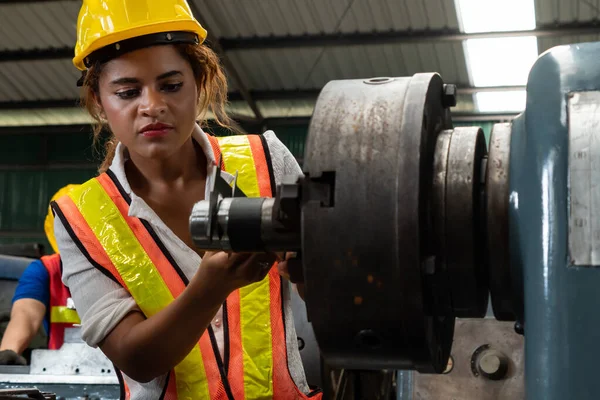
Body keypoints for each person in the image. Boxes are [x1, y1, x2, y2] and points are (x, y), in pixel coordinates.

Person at [50, 1, 322, 398]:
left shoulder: (267, 161)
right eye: (127, 92)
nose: (152, 105)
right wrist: (209, 289)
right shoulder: (79, 217)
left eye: (171, 85)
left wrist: (307, 268)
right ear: (98, 102)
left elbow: (334, 294)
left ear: (200, 81)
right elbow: (137, 359)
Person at [0, 185, 81, 365]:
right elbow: (26, 315)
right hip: (61, 372)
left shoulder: (124, 270)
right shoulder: (45, 271)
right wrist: (8, 352)